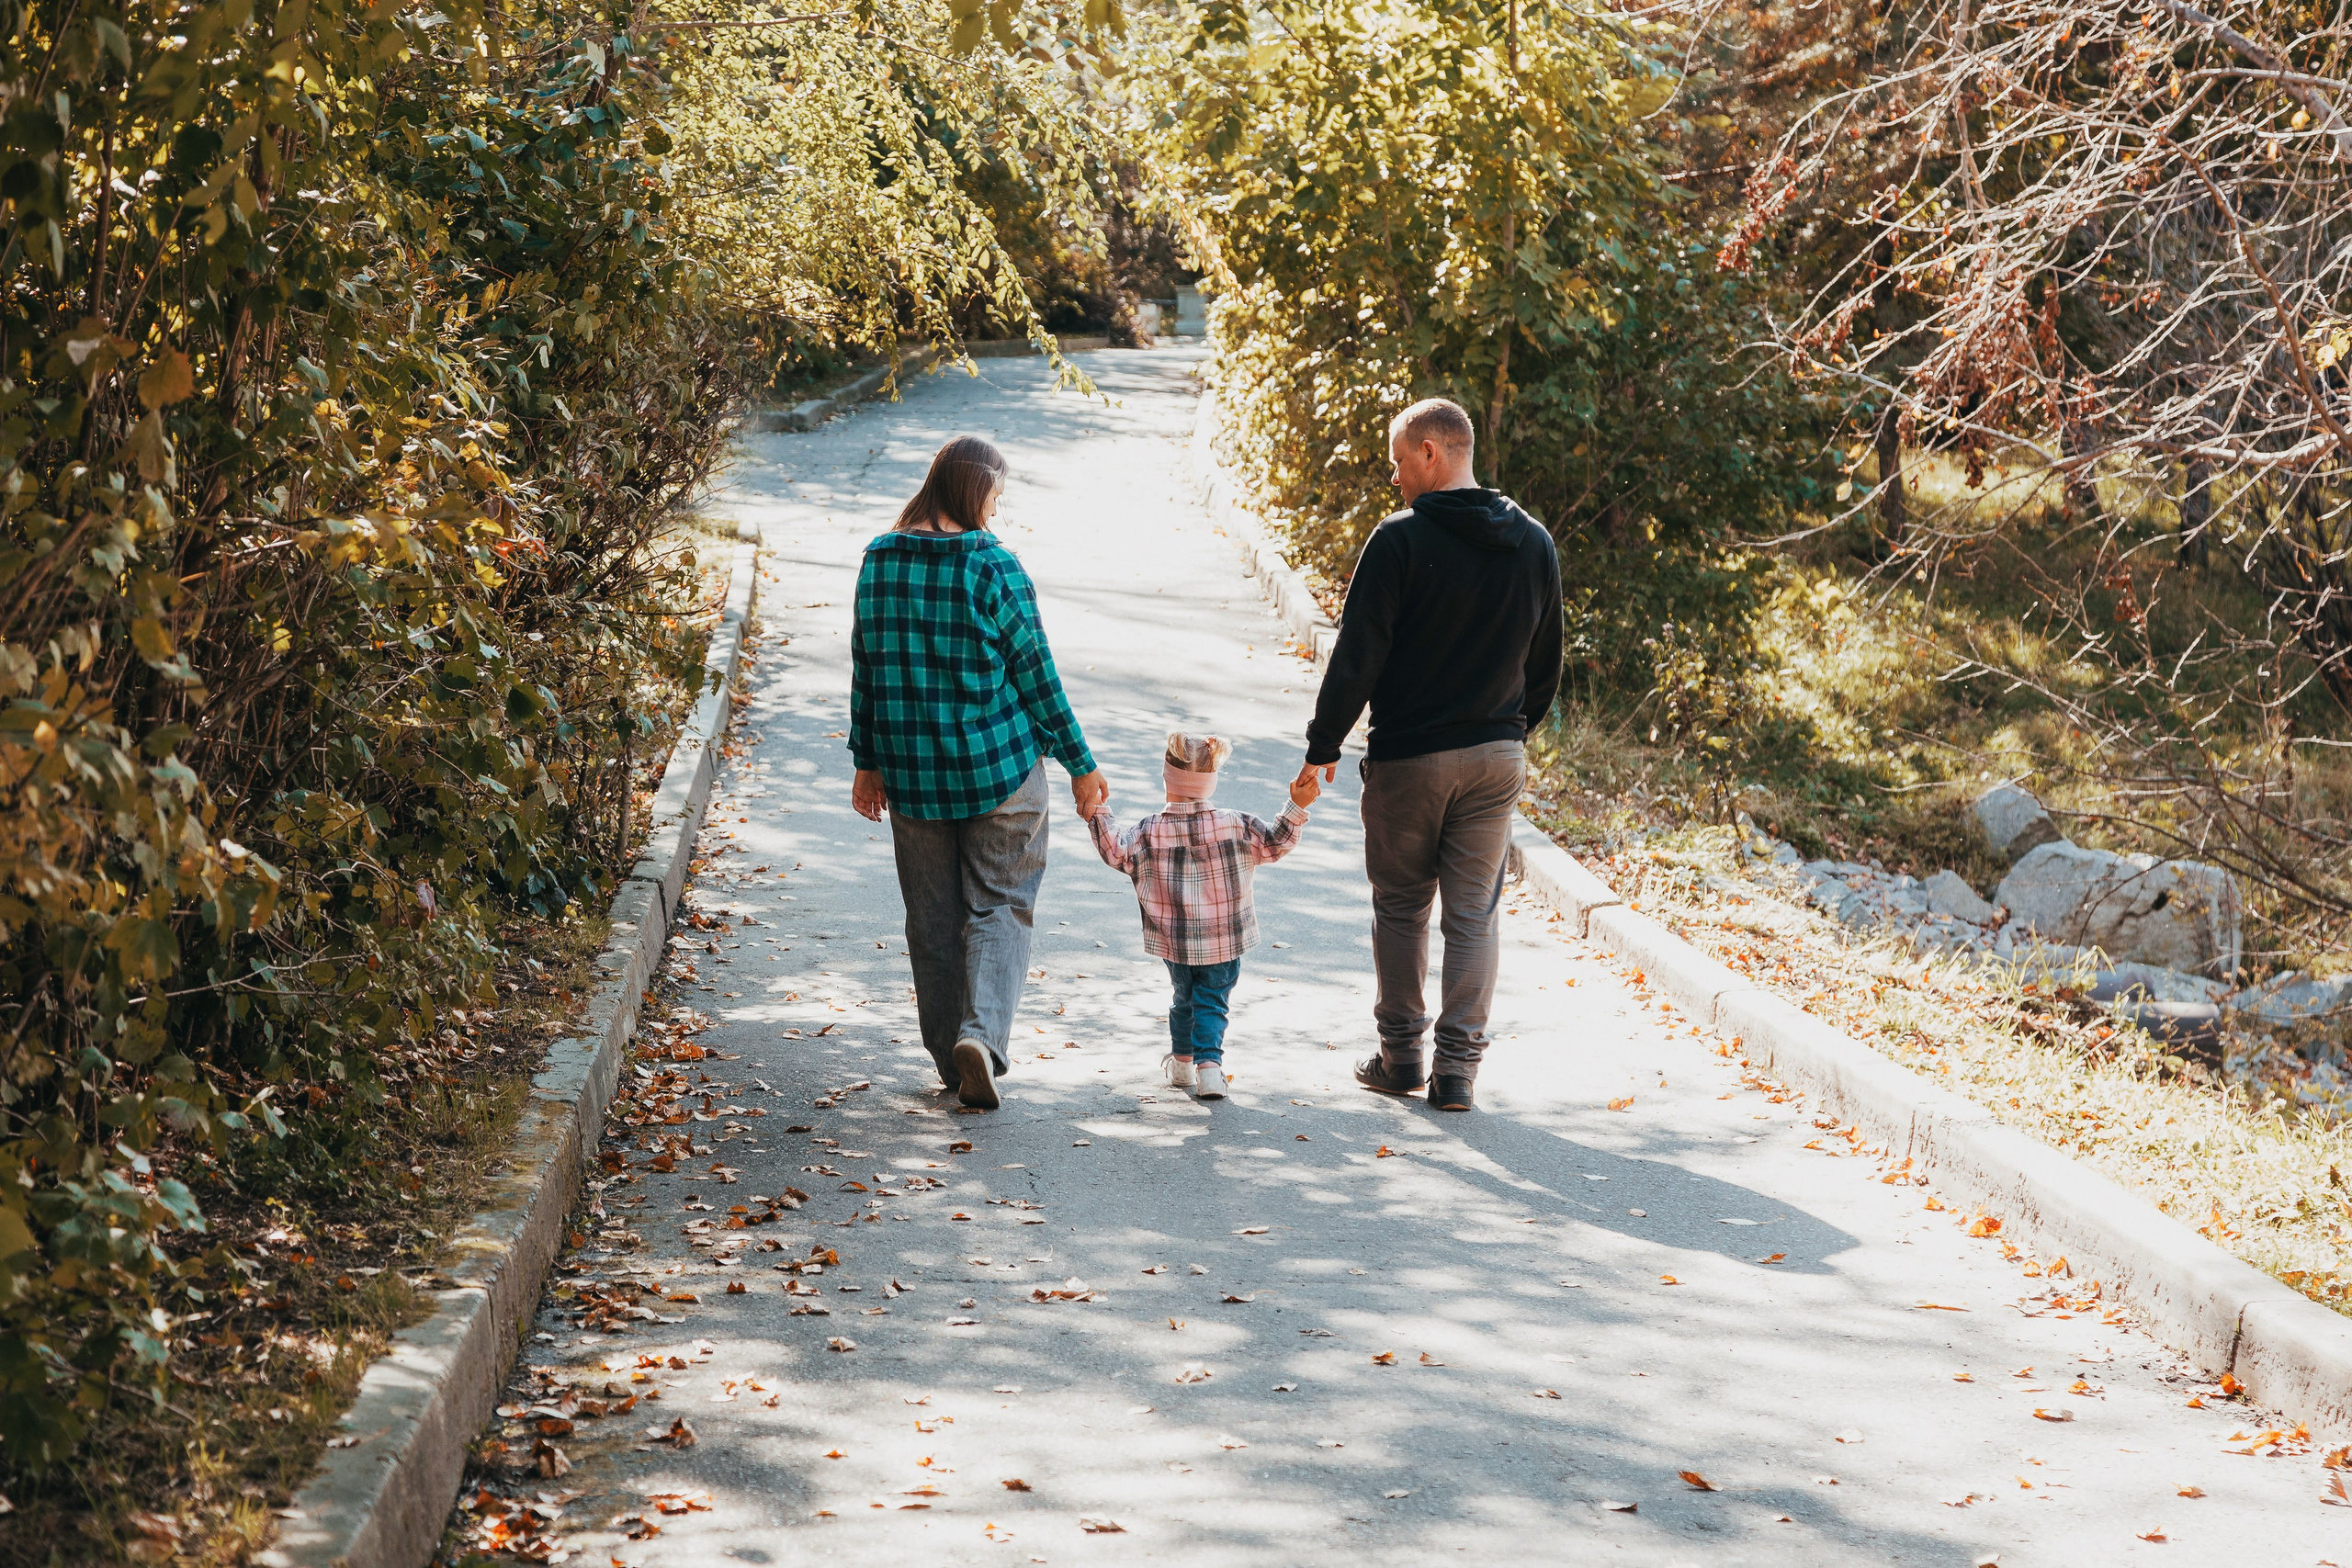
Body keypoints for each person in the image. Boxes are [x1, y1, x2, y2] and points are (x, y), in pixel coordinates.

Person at [1295, 398, 1563, 1112]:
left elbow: (1358, 658)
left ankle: (1401, 1055)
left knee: (1402, 906)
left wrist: (1322, 747)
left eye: (1396, 461)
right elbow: (1546, 668)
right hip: (1497, 756)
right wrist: (1505, 734)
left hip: (1412, 758)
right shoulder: (1534, 543)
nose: (1393, 478)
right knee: (1473, 914)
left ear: (1430, 454)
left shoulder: (1399, 542)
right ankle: (1457, 1075)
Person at [848, 435, 1109, 1110]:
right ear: (975, 490)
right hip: (1000, 773)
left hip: (913, 776)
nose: (997, 505)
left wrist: (866, 762)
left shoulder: (878, 561)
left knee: (930, 921)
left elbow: (867, 668)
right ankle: (981, 1037)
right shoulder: (993, 566)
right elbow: (1036, 674)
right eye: (996, 493)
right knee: (1001, 904)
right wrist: (1080, 763)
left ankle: (949, 1056)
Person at [1088, 732, 1317, 1100]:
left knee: (1184, 997)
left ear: (1167, 778)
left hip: (1174, 943)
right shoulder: (1236, 824)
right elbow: (1276, 844)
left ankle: (1181, 1063)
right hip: (1225, 939)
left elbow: (1115, 851)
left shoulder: (1148, 831)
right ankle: (1209, 1068)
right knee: (1212, 999)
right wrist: (1296, 805)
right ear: (1210, 781)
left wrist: (1098, 810)